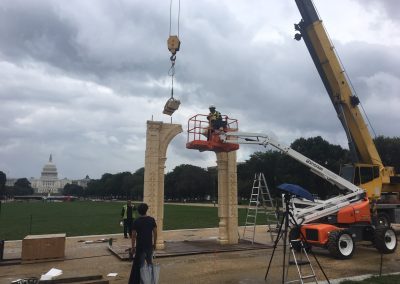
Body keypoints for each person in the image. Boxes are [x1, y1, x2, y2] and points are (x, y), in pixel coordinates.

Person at [129, 203, 157, 284]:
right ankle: (152, 280)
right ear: (146, 210)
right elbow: (155, 233)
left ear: (138, 211)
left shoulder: (136, 221)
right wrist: (154, 243)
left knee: (140, 266)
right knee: (150, 263)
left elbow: (133, 236)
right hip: (149, 245)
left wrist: (133, 247)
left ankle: (142, 281)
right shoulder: (151, 220)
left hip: (140, 247)